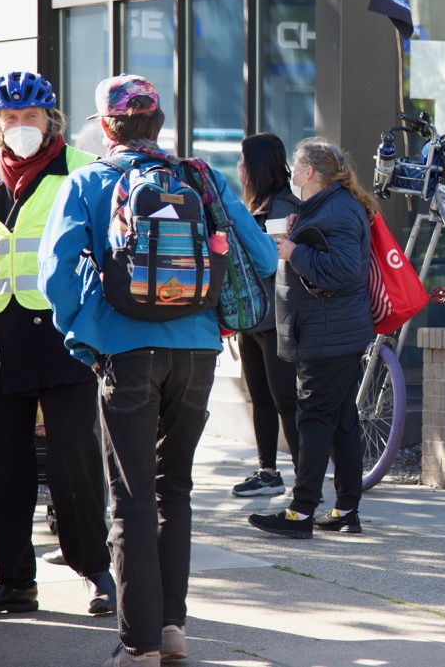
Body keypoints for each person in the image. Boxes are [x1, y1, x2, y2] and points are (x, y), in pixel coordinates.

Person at [38, 74, 277, 667]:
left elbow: (56, 277)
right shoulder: (202, 177)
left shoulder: (89, 181)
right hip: (197, 352)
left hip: (125, 353)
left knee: (132, 500)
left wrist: (87, 334)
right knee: (176, 490)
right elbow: (267, 256)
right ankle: (171, 630)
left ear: (107, 126)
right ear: (158, 122)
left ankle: (138, 643)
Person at [0, 71, 115, 620]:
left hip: (66, 341)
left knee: (74, 468)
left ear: (50, 119)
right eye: (9, 119)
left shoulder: (83, 172)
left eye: (29, 117)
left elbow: (111, 253)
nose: (20, 127)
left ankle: (96, 571)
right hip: (0, 343)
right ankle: (12, 581)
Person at [247, 137, 375, 539]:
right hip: (333, 331)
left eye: (297, 166)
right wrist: (295, 236)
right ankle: (345, 510)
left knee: (315, 419)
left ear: (310, 173)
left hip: (328, 334)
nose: (292, 172)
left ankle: (301, 513)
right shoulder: (328, 205)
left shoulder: (335, 209)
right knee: (340, 422)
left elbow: (342, 270)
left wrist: (292, 251)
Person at [230, 134, 302, 498]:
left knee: (285, 400)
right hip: (251, 318)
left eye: (243, 161)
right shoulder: (255, 206)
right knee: (259, 398)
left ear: (256, 165)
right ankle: (268, 472)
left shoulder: (282, 208)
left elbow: (271, 263)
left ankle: (305, 479)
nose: (239, 168)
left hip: (275, 319)